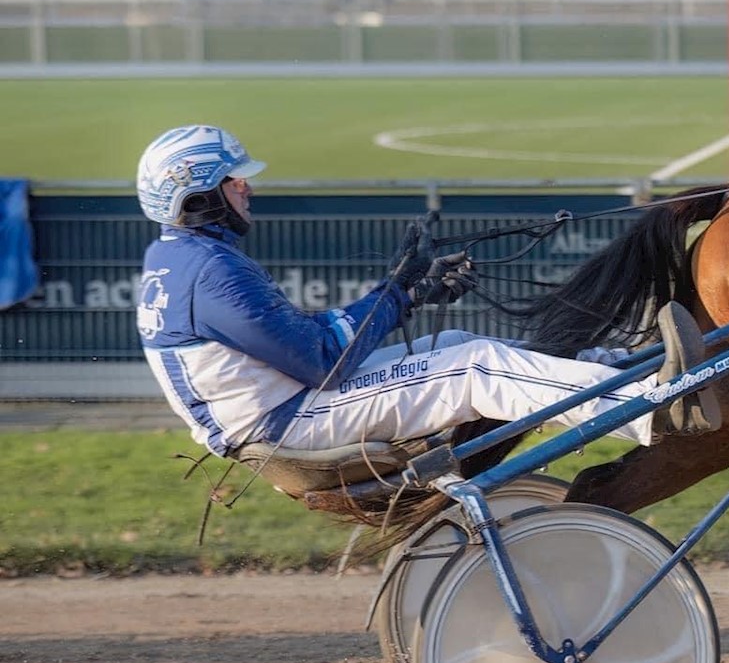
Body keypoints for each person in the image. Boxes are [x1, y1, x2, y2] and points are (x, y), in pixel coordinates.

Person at [133, 124, 678, 462]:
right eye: (233, 180)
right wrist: (398, 296)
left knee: (457, 341)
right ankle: (648, 411)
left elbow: (304, 340)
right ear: (197, 194)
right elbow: (322, 359)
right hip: (288, 419)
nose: (247, 187)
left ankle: (612, 370)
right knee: (476, 367)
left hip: (280, 408)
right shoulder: (210, 273)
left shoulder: (178, 259)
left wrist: (402, 291)